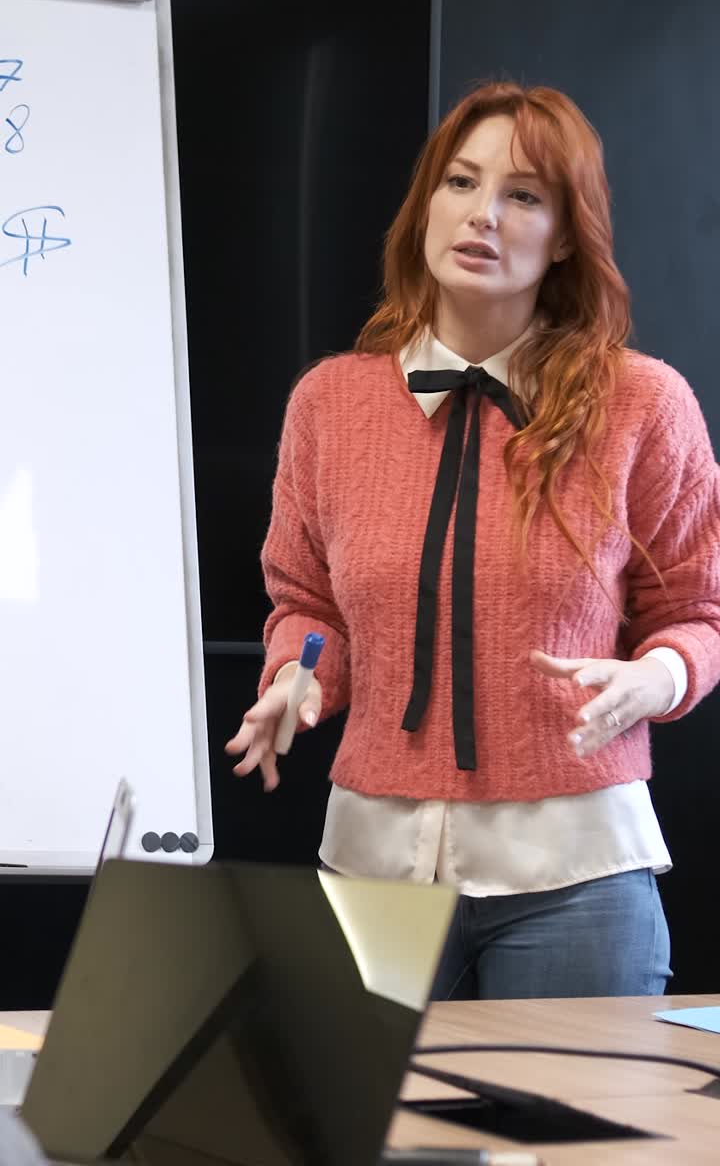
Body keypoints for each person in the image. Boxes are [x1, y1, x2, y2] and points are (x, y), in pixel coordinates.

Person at [226, 80, 720, 999]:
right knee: (367, 1143)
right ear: (426, 205)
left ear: (568, 234)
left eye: (523, 195)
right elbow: (308, 605)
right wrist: (301, 675)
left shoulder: (645, 403)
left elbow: (700, 611)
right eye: (460, 182)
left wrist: (655, 678)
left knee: (566, 1147)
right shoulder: (330, 404)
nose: (482, 214)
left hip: (574, 873)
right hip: (372, 869)